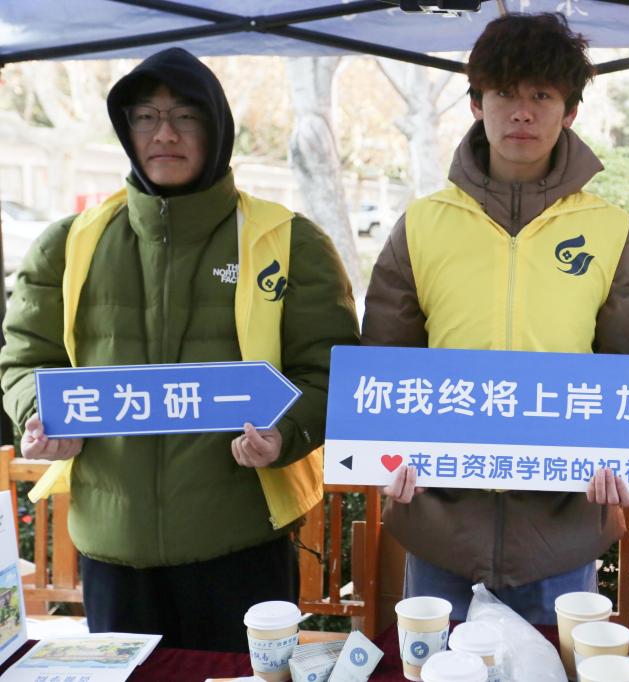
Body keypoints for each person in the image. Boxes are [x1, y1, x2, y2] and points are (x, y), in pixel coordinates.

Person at [0, 47, 359, 651]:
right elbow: (24, 358)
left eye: (185, 116)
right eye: (145, 117)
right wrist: (42, 413)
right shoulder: (68, 243)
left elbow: (332, 368)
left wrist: (285, 431)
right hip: (114, 548)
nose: (163, 134)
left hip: (243, 544)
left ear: (217, 128)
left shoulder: (287, 240)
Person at [362, 12, 629, 623]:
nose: (522, 112)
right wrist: (381, 457)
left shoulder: (612, 232)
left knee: (554, 664)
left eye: (542, 95)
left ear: (570, 111)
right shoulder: (422, 225)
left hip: (563, 530)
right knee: (435, 664)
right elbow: (382, 363)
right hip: (439, 523)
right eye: (504, 93)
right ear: (476, 104)